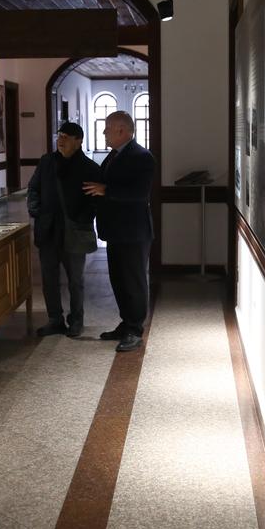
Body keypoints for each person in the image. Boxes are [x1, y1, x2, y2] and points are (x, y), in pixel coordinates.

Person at [83, 110, 155, 353]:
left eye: (107, 128)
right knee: (118, 281)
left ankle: (135, 330)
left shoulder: (142, 157)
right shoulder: (114, 155)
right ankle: (126, 323)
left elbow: (139, 194)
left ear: (122, 130)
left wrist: (106, 190)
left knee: (133, 281)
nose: (103, 132)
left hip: (133, 232)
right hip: (115, 231)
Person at [27, 121, 102, 338]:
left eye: (66, 137)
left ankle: (76, 319)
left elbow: (95, 201)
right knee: (49, 277)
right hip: (48, 229)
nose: (61, 141)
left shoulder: (90, 168)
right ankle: (55, 319)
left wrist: (83, 218)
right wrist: (37, 212)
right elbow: (34, 188)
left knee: (75, 279)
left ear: (78, 141)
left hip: (74, 231)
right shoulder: (47, 162)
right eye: (59, 136)